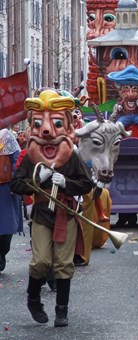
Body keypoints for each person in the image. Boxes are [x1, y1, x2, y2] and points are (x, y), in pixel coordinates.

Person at [11, 89, 92, 327]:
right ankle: (33, 299)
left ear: (67, 127)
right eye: (39, 124)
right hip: (42, 215)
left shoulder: (72, 157)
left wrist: (67, 183)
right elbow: (16, 184)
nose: (47, 131)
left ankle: (61, 310)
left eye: (57, 123)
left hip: (65, 214)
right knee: (40, 262)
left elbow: (86, 184)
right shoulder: (30, 158)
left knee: (63, 265)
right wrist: (36, 181)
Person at [0, 129, 23, 272]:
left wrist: (16, 182)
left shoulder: (7, 136)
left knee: (7, 227)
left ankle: (2, 252)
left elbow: (17, 160)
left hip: (6, 189)